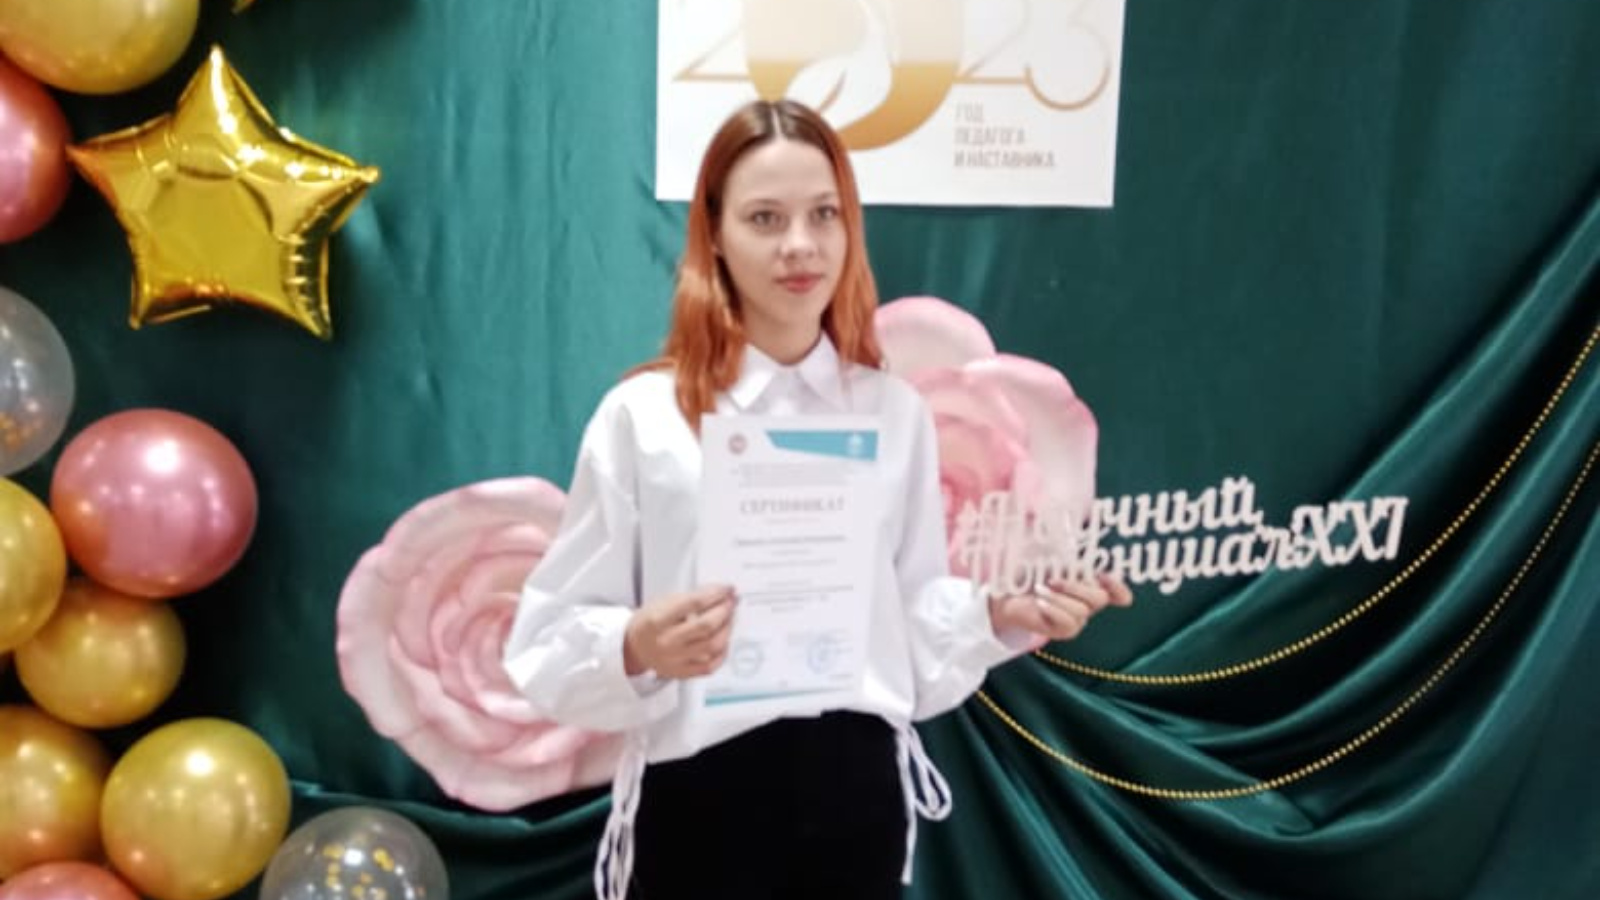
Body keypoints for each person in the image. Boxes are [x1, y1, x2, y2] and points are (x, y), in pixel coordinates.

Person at [502, 98, 1132, 900]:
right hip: (701, 805)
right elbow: (549, 636)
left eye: (823, 214)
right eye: (765, 218)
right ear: (715, 235)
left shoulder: (892, 413)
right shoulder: (644, 418)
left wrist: (999, 615)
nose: (799, 245)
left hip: (853, 803)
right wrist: (637, 644)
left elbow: (908, 622)